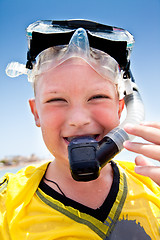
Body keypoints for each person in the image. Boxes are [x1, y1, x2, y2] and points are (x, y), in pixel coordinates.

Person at [1, 19, 160, 240]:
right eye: (57, 99)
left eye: (97, 97)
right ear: (36, 112)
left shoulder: (154, 189)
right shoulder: (7, 203)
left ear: (121, 108)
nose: (78, 120)